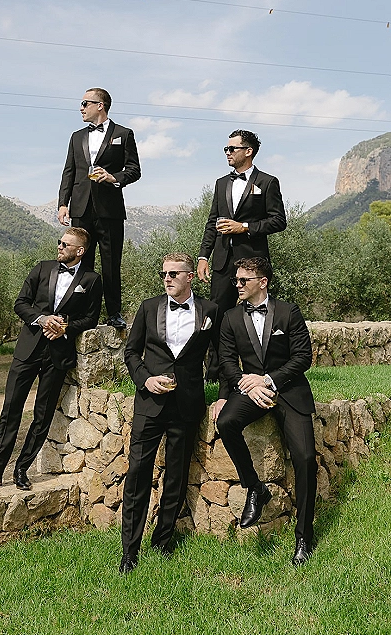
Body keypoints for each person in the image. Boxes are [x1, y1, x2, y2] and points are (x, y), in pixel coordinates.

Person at [0, 228, 102, 492]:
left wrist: (65, 327)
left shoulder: (92, 280)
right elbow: (20, 303)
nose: (60, 247)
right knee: (11, 409)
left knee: (42, 415)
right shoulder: (42, 268)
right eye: (59, 242)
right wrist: (42, 319)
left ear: (80, 251)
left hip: (58, 355)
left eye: (65, 244)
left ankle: (22, 469)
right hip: (28, 350)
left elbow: (90, 319)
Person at [214, 256, 317, 566]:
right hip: (251, 389)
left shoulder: (288, 312)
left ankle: (304, 536)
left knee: (306, 458)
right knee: (227, 422)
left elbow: (303, 357)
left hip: (289, 390)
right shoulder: (231, 317)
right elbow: (226, 361)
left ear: (263, 282)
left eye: (243, 280)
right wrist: (244, 385)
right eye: (236, 280)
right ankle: (255, 487)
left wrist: (269, 380)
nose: (237, 284)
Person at [120, 253, 217, 573]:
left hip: (187, 405)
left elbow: (222, 354)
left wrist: (226, 394)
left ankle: (162, 541)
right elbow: (131, 352)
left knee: (176, 477)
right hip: (149, 404)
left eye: (174, 273)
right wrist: (145, 379)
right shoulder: (148, 308)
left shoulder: (210, 311)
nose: (167, 278)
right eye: (164, 273)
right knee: (138, 474)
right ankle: (129, 551)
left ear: (190, 276)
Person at [197, 129, 286, 388]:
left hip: (253, 262)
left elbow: (278, 221)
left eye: (232, 148)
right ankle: (216, 371)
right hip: (223, 261)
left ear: (248, 151)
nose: (227, 152)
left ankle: (263, 370)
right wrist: (203, 256)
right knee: (217, 315)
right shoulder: (221, 183)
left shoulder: (268, 182)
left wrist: (244, 227)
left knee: (260, 314)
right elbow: (212, 223)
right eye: (226, 149)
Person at [57, 88, 141, 330]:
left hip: (110, 209)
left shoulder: (124, 134)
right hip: (80, 208)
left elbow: (134, 170)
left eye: (85, 103)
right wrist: (63, 203)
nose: (81, 108)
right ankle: (83, 314)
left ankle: (114, 313)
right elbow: (69, 171)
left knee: (111, 264)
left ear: (100, 105)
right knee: (81, 263)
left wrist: (114, 178)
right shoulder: (76, 137)